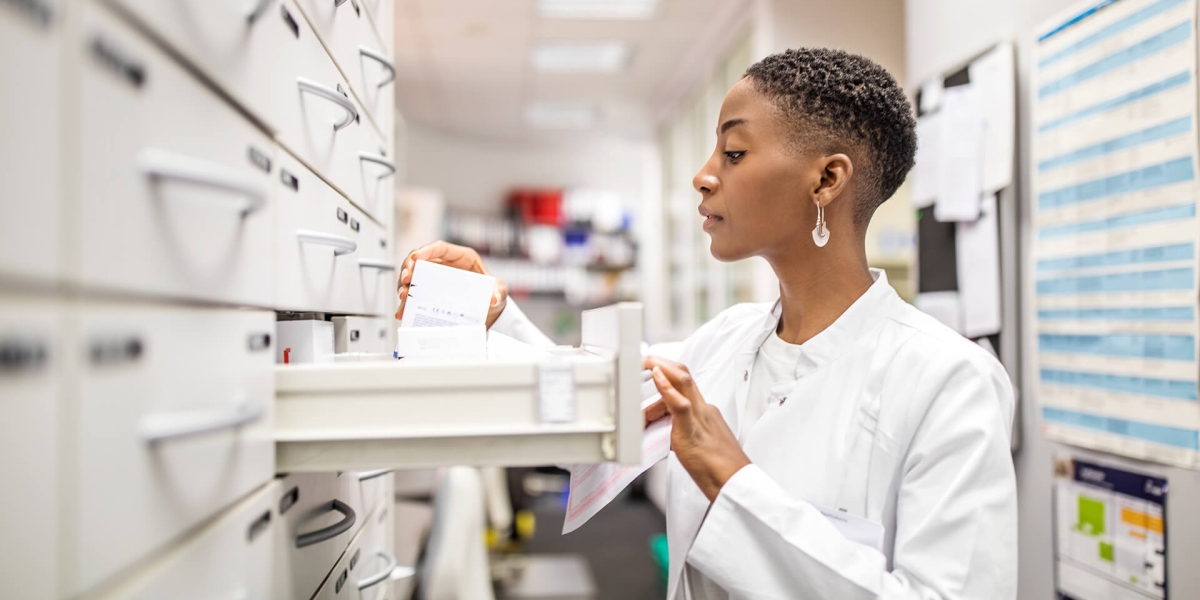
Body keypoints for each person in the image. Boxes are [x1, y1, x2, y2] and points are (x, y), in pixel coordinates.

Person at [395, 48, 1017, 600]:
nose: (703, 175)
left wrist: (733, 480)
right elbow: (590, 411)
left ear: (827, 179)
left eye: (735, 151)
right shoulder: (727, 341)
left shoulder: (949, 380)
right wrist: (494, 317)